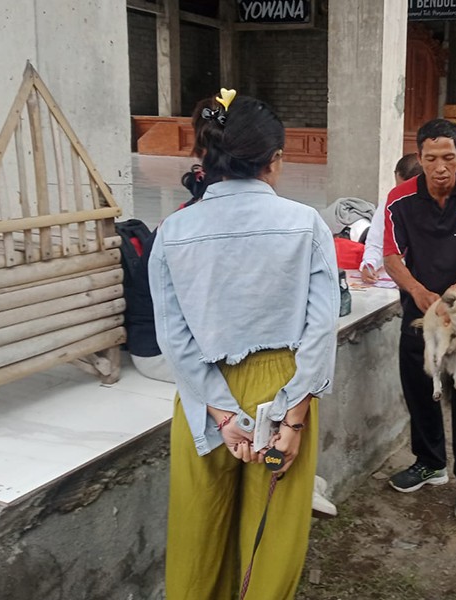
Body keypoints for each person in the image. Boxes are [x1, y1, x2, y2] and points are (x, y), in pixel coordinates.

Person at [150, 89, 339, 600]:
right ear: (274, 160)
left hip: (203, 391)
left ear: (207, 155)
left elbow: (173, 337)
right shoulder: (306, 224)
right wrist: (293, 419)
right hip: (284, 384)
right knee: (270, 536)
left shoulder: (172, 231)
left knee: (198, 529)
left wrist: (221, 412)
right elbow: (321, 328)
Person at [384, 118, 456, 522]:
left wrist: (452, 302)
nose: (440, 167)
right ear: (420, 157)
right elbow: (392, 257)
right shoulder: (399, 200)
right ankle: (430, 462)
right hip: (420, 314)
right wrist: (418, 292)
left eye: (448, 157)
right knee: (420, 390)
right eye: (430, 158)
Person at [360, 153, 424, 284]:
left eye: (407, 190)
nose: (401, 195)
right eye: (398, 187)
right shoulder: (390, 203)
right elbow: (376, 243)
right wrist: (369, 264)